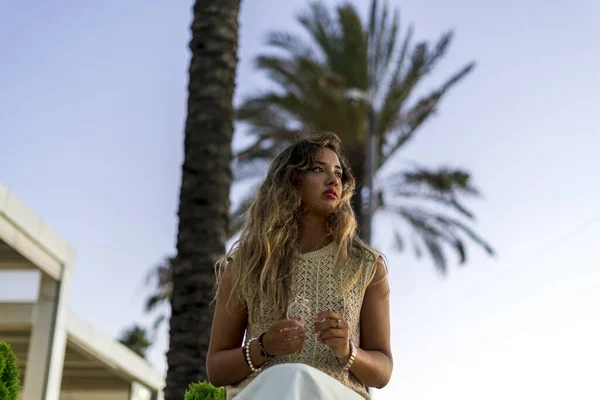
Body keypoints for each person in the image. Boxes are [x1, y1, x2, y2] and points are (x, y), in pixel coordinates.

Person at [206, 132, 392, 399]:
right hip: (264, 393)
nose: (333, 180)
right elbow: (216, 370)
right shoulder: (246, 265)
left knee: (296, 375)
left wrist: (348, 351)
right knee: (291, 376)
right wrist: (263, 347)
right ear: (291, 180)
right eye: (318, 169)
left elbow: (383, 371)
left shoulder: (366, 266)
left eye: (338, 173)